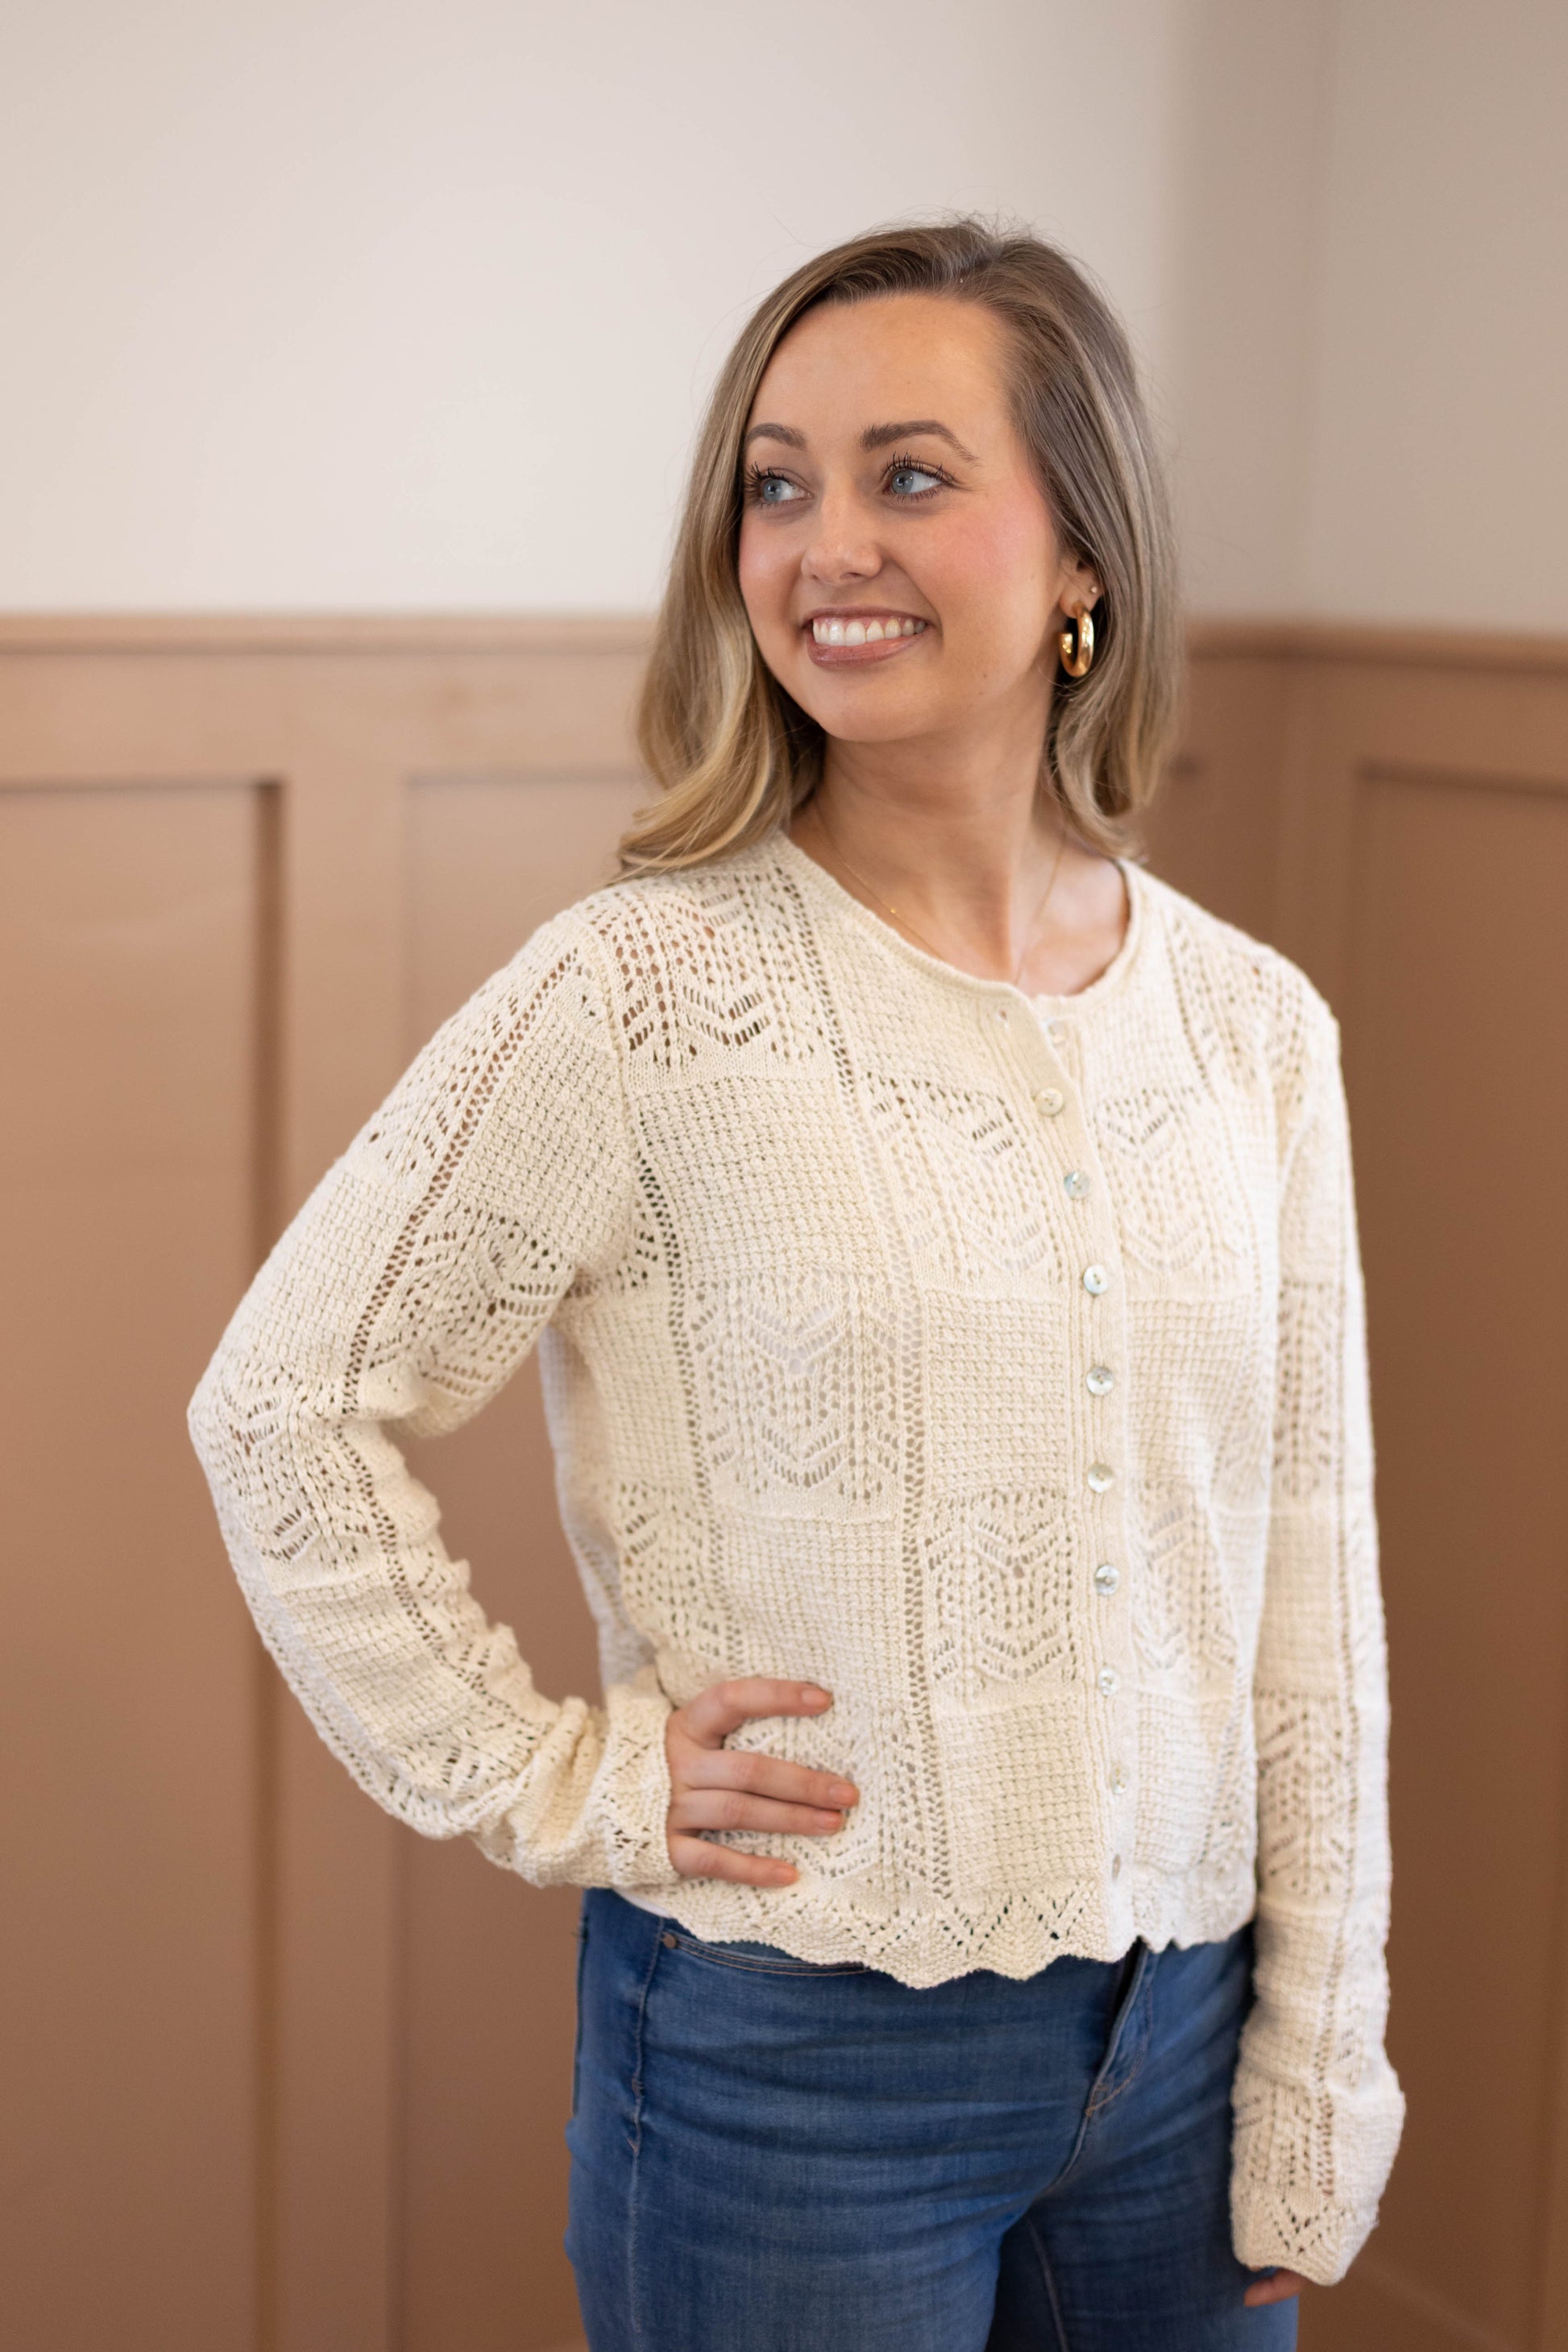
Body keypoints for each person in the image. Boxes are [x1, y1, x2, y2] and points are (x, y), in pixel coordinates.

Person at [189, 218, 1403, 2350]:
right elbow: (281, 1405)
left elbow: (1307, 1577)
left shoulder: (1250, 1030)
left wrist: (1319, 2054)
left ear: (1081, 554)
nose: (825, 542)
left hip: (1188, 2055)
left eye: (908, 474)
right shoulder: (637, 995)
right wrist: (562, 1772)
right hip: (788, 2063)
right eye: (775, 482)